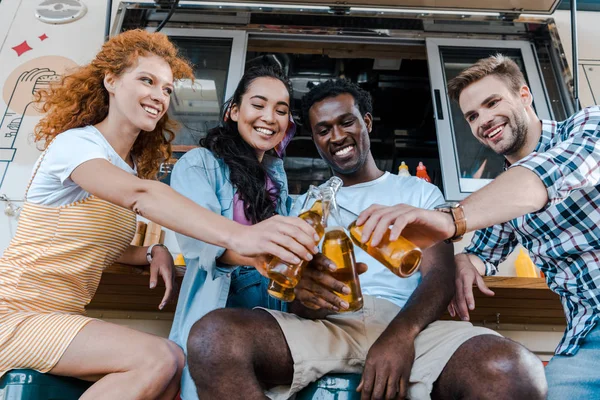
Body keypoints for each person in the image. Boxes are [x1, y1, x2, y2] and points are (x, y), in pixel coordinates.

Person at [0, 30, 318, 400]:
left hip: (58, 316)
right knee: (160, 359)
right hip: (16, 313)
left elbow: (100, 243)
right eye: (147, 81)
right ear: (111, 80)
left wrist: (151, 252)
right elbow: (142, 195)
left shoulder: (128, 166)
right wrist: (242, 236)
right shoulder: (76, 145)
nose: (158, 96)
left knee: (171, 373)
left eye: (167, 89)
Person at [184, 79, 547, 400]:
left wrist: (399, 337)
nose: (336, 136)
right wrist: (308, 299)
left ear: (367, 123)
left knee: (513, 371)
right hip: (328, 326)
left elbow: (439, 276)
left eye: (346, 122)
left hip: (413, 325)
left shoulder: (417, 191)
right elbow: (295, 295)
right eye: (323, 129)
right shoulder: (306, 204)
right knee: (213, 339)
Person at [356, 54, 600, 400]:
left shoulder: (587, 126)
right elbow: (481, 250)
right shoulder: (502, 194)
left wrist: (449, 219)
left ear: (524, 95)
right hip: (585, 335)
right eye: (472, 116)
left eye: (492, 102)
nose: (484, 120)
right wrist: (461, 263)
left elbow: (545, 178)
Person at [168, 65, 305, 400]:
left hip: (274, 314)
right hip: (221, 305)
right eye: (258, 105)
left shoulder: (277, 179)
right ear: (233, 111)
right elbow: (200, 244)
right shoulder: (200, 164)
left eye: (281, 110)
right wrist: (259, 254)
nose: (269, 117)